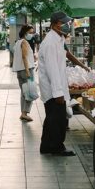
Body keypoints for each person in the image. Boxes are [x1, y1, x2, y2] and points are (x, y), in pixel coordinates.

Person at [38, 12, 75, 156]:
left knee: (52, 119)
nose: (67, 25)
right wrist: (58, 92)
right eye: (63, 22)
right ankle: (56, 147)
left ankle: (46, 146)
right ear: (55, 24)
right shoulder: (50, 43)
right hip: (53, 89)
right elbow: (52, 69)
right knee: (57, 120)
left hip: (56, 87)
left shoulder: (58, 40)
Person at [13, 25, 37, 122]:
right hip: (27, 70)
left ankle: (23, 113)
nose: (32, 34)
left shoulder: (18, 42)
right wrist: (27, 70)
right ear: (25, 33)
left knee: (24, 92)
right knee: (30, 92)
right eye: (30, 32)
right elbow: (24, 57)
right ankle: (25, 113)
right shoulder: (24, 42)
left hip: (19, 71)